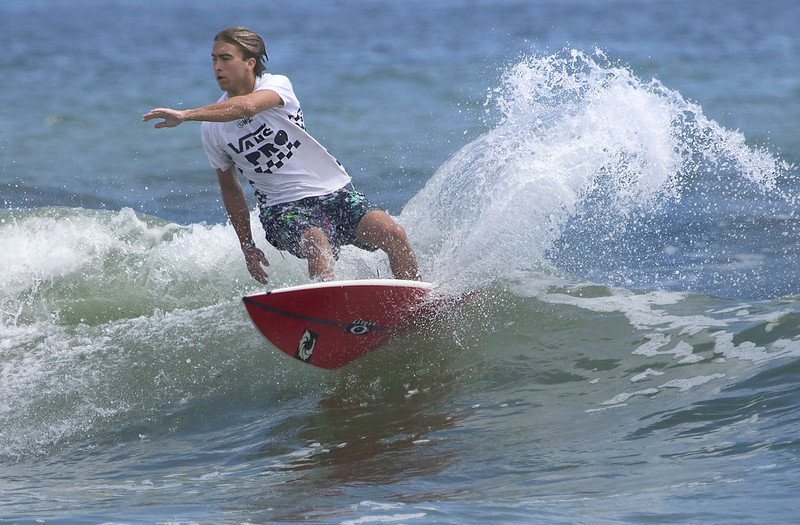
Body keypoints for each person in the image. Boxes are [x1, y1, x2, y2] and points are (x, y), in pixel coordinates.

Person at [143, 27, 420, 284]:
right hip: (281, 210)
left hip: (334, 192)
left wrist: (184, 115)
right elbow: (230, 189)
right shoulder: (213, 129)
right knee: (316, 242)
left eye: (226, 58)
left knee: (393, 234)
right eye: (214, 59)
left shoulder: (277, 86)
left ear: (250, 62)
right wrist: (248, 246)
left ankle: (416, 304)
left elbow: (249, 107)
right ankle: (329, 316)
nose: (217, 66)